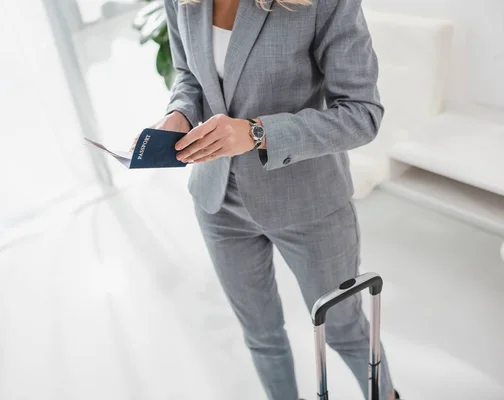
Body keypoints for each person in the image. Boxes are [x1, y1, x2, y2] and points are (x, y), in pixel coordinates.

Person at [142, 0, 400, 398]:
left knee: (344, 330)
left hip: (308, 203)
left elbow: (362, 114)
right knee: (261, 336)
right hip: (217, 201)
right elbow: (189, 78)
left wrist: (259, 133)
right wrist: (179, 113)